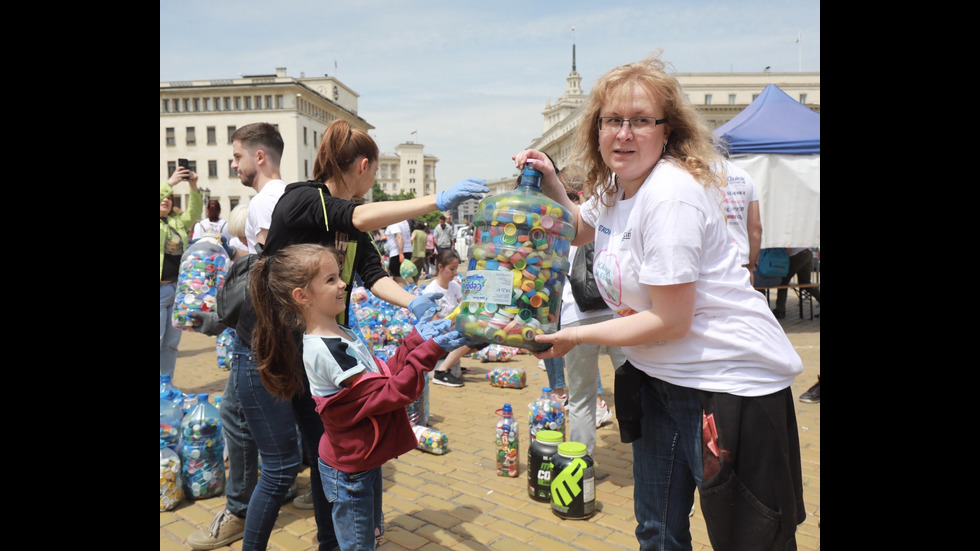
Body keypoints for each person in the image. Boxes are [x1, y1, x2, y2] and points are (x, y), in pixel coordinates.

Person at [514, 52, 806, 550]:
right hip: (661, 381)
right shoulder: (617, 185)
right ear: (597, 128)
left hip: (727, 385)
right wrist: (552, 183)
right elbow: (583, 228)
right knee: (657, 532)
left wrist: (574, 336)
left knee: (749, 541)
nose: (623, 133)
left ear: (666, 130)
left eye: (640, 121)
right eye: (612, 121)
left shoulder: (669, 194)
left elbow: (670, 320)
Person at [230, 118, 487, 548]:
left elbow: (369, 272)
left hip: (314, 357)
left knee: (326, 456)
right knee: (278, 469)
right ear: (364, 166)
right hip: (265, 351)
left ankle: (333, 543)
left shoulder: (349, 223)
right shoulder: (302, 199)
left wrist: (414, 302)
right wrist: (434, 200)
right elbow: (355, 214)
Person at [250, 243, 473, 550]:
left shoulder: (343, 333)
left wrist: (416, 339)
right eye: (330, 280)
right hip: (349, 469)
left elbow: (384, 374)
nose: (343, 283)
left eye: (338, 275)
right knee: (357, 545)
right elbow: (391, 392)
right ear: (302, 297)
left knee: (369, 534)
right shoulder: (327, 349)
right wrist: (431, 350)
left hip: (364, 457)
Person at [185, 122, 292, 551]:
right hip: (267, 335)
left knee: (235, 414)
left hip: (260, 338)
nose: (234, 164)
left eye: (236, 156)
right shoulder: (278, 198)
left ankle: (241, 508)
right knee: (254, 417)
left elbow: (265, 280)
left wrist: (218, 317)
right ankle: (260, 496)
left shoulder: (267, 203)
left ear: (259, 156)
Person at [556, 165, 626, 450]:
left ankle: (581, 466)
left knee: (581, 398)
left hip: (576, 317)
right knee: (638, 387)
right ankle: (649, 458)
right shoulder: (607, 212)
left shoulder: (558, 223)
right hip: (618, 315)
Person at [160, 164, 202, 380]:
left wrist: (193, 186)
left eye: (169, 198)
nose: (166, 200)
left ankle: (165, 387)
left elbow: (194, 213)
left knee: (170, 344)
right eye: (162, 197)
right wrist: (171, 182)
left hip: (176, 289)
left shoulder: (176, 223)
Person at [423, 249, 468, 387]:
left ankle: (451, 361)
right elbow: (435, 325)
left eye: (456, 269)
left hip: (454, 331)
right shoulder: (431, 292)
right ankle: (441, 372)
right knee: (471, 339)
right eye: (452, 269)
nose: (455, 273)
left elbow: (464, 307)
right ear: (440, 267)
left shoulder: (454, 286)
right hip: (441, 338)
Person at [719, 159, 762, 284]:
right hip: (740, 261)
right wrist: (750, 266)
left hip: (711, 263)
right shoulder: (744, 176)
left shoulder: (698, 174)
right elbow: (756, 229)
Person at [773, 247, 821, 319]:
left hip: (797, 254)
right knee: (805, 283)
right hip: (807, 252)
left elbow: (787, 248)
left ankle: (780, 311)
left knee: (783, 282)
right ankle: (780, 310)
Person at [384, 218, 412, 285]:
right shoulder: (404, 221)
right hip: (407, 250)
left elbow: (399, 237)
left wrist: (400, 253)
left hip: (397, 253)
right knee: (400, 276)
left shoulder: (394, 222)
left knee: (398, 277)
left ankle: (405, 293)